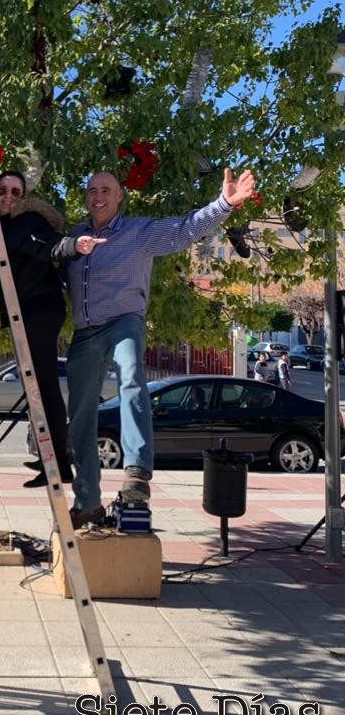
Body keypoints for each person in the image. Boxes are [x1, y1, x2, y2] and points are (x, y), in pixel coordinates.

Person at [65, 167, 256, 528]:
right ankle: (87, 500)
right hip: (85, 332)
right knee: (81, 415)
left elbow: (184, 230)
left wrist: (224, 204)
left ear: (120, 196)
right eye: (92, 191)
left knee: (132, 379)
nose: (98, 196)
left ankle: (137, 471)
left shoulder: (138, 231)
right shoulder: (76, 236)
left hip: (123, 321)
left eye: (106, 190)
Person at [0, 171, 106, 489]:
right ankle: (53, 458)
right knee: (39, 388)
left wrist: (75, 245)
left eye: (15, 191)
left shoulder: (26, 220)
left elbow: (49, 246)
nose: (8, 196)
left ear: (24, 196)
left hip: (38, 309)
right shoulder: (1, 222)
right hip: (32, 309)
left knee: (42, 388)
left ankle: (57, 462)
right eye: (2, 189)